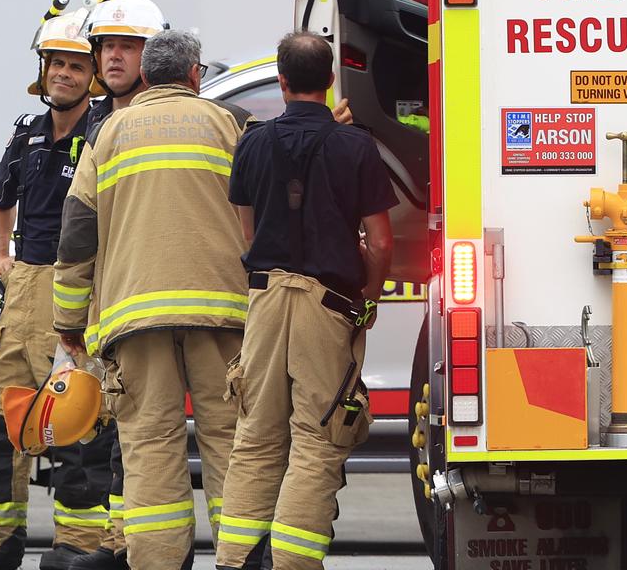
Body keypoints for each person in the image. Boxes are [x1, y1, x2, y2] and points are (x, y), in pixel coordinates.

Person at [54, 30, 251, 570]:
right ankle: (240, 560)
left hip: (134, 318)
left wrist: (69, 320)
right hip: (221, 314)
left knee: (148, 446)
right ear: (195, 75)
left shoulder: (109, 134)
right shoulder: (228, 125)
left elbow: (77, 234)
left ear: (145, 77)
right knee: (230, 442)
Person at [0, 10, 112, 570]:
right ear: (43, 70)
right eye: (56, 64)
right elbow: (0, 197)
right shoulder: (27, 131)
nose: (64, 74)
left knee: (77, 416)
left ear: (93, 76)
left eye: (77, 66)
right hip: (25, 284)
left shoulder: (105, 131)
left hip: (79, 285)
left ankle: (77, 547)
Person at [214, 32, 397, 570]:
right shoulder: (356, 146)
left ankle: (234, 560)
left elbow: (245, 233)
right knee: (317, 440)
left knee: (255, 436)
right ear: (332, 80)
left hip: (266, 301)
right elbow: (381, 241)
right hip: (329, 304)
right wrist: (367, 296)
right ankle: (291, 564)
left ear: (282, 80)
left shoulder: (252, 143)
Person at [65, 0, 168, 570]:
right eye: (107, 46)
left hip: (161, 300)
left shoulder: (179, 114)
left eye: (129, 47)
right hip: (115, 304)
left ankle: (142, 546)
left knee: (150, 431)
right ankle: (121, 540)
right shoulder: (99, 121)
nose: (113, 58)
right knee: (120, 430)